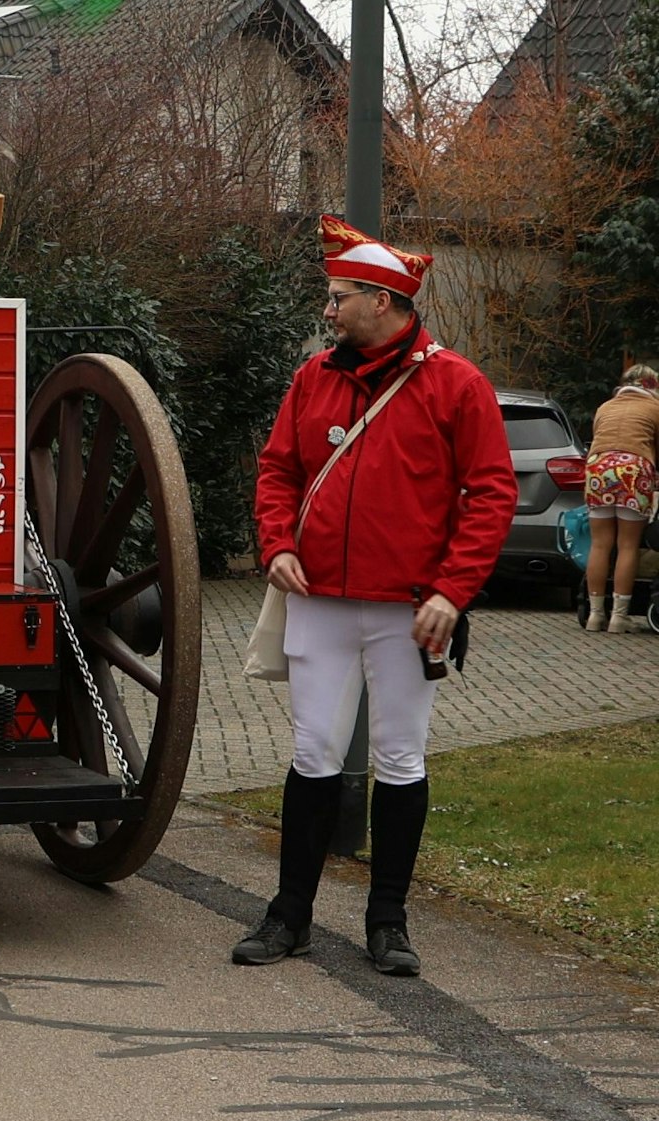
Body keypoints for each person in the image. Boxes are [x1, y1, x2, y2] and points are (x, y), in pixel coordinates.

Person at [237, 216, 516, 976]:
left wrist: (453, 592)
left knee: (400, 758)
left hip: (411, 608)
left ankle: (388, 921)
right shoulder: (312, 379)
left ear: (382, 301)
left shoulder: (457, 384)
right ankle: (289, 915)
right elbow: (278, 470)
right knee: (312, 754)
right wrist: (278, 544)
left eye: (340, 297)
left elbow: (491, 494)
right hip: (319, 598)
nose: (328, 310)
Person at [580, 364, 659, 632]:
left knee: (600, 544)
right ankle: (619, 616)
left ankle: (595, 614)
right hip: (633, 471)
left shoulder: (605, 407)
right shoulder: (655, 408)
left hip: (598, 469)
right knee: (628, 545)